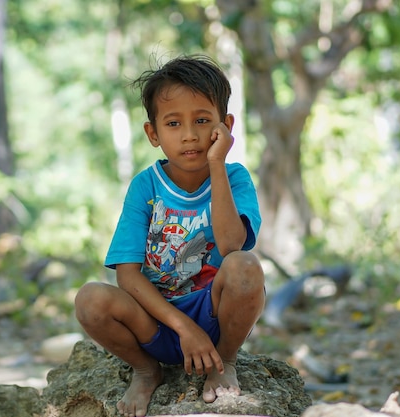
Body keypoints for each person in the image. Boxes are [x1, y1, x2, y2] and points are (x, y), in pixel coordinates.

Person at [74, 54, 265, 417]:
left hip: (213, 315)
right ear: (153, 133)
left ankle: (223, 362)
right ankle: (147, 371)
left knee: (245, 266)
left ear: (225, 126)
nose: (190, 134)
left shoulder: (235, 177)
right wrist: (182, 328)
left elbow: (229, 246)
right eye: (174, 123)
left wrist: (217, 165)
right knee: (90, 299)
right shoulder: (145, 186)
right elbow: (127, 274)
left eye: (203, 120)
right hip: (154, 320)